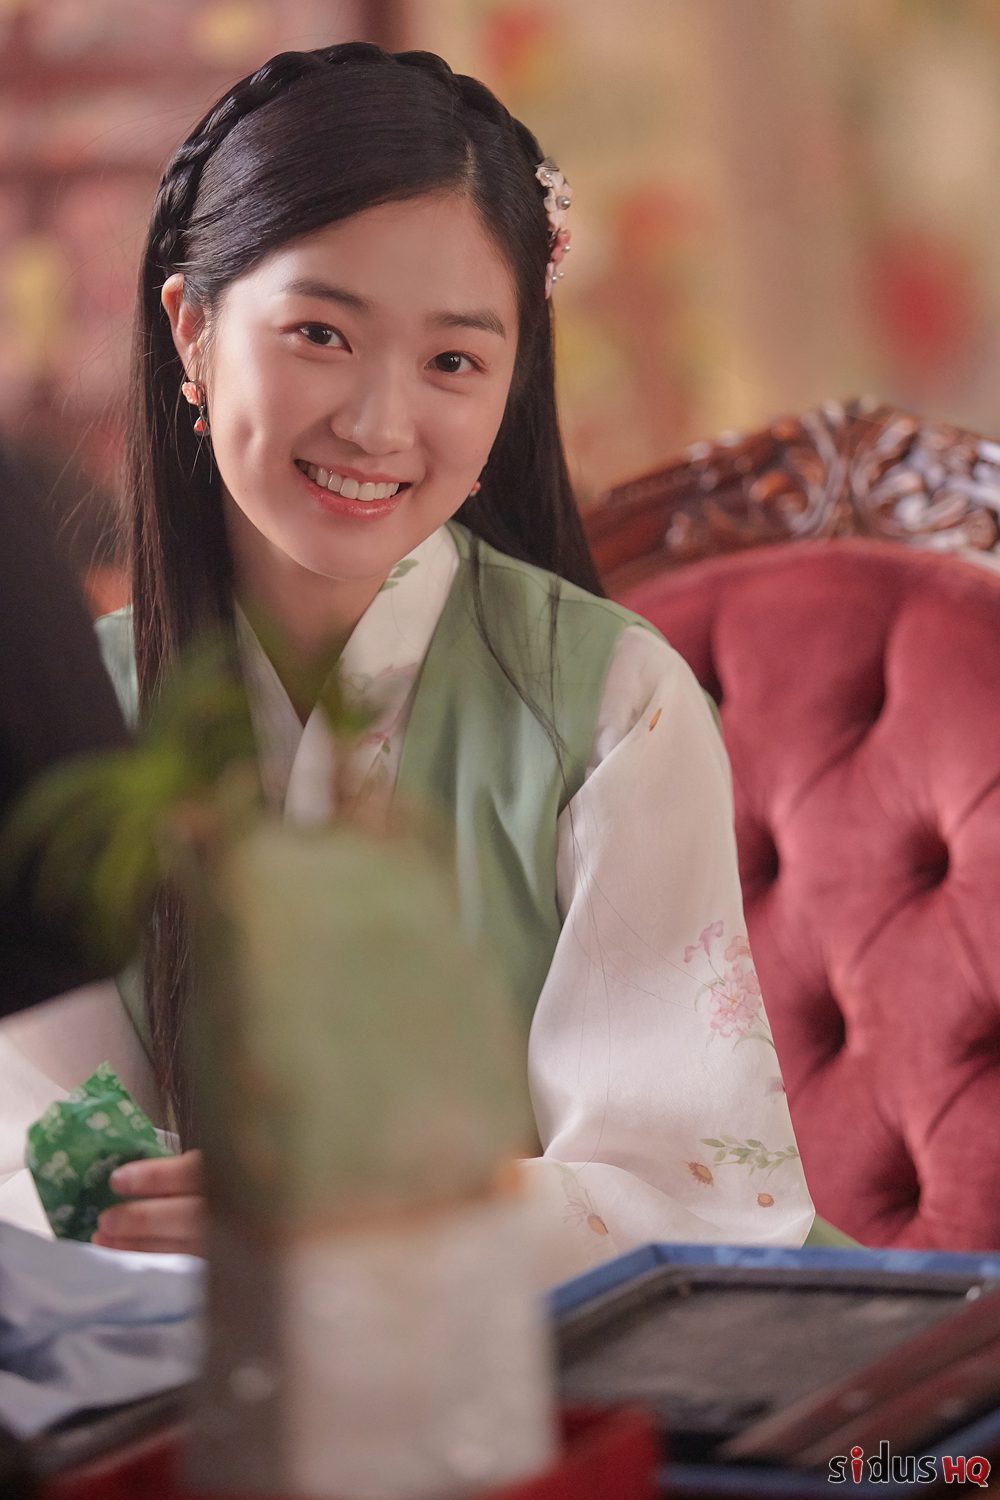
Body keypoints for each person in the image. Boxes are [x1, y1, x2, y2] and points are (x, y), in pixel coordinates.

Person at [6, 41, 818, 1276]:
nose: (378, 424)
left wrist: (352, 1218)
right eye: (320, 333)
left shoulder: (611, 705)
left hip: (555, 1348)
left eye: (452, 361)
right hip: (157, 1354)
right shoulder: (79, 711)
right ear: (192, 328)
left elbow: (684, 1191)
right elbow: (36, 1146)